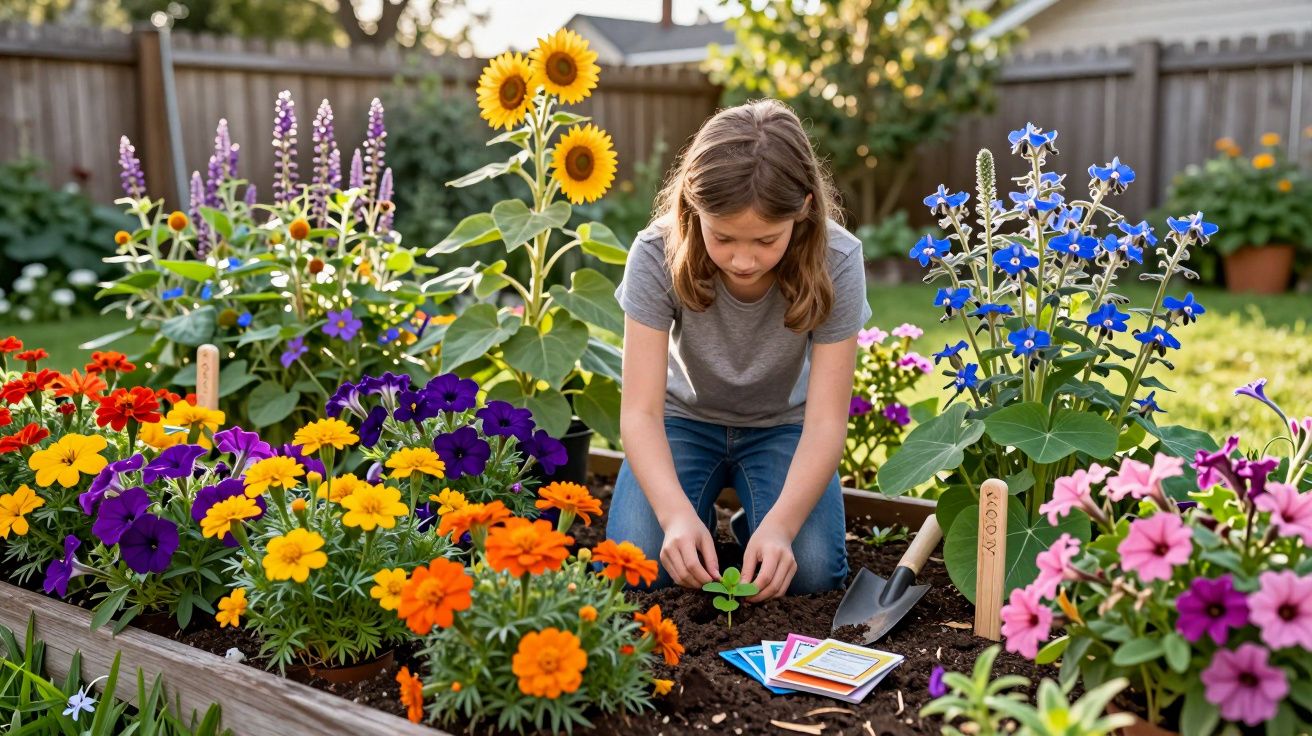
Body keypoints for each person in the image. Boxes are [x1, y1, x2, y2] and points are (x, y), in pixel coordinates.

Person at [606, 98, 871, 601]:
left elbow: (826, 423)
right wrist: (676, 516)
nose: (743, 259)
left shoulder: (838, 260)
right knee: (637, 567)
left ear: (804, 210)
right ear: (692, 206)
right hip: (681, 423)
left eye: (766, 240)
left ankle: (754, 524)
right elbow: (639, 414)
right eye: (723, 237)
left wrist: (781, 526)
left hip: (784, 429)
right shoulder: (654, 254)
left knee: (813, 575)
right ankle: (699, 519)